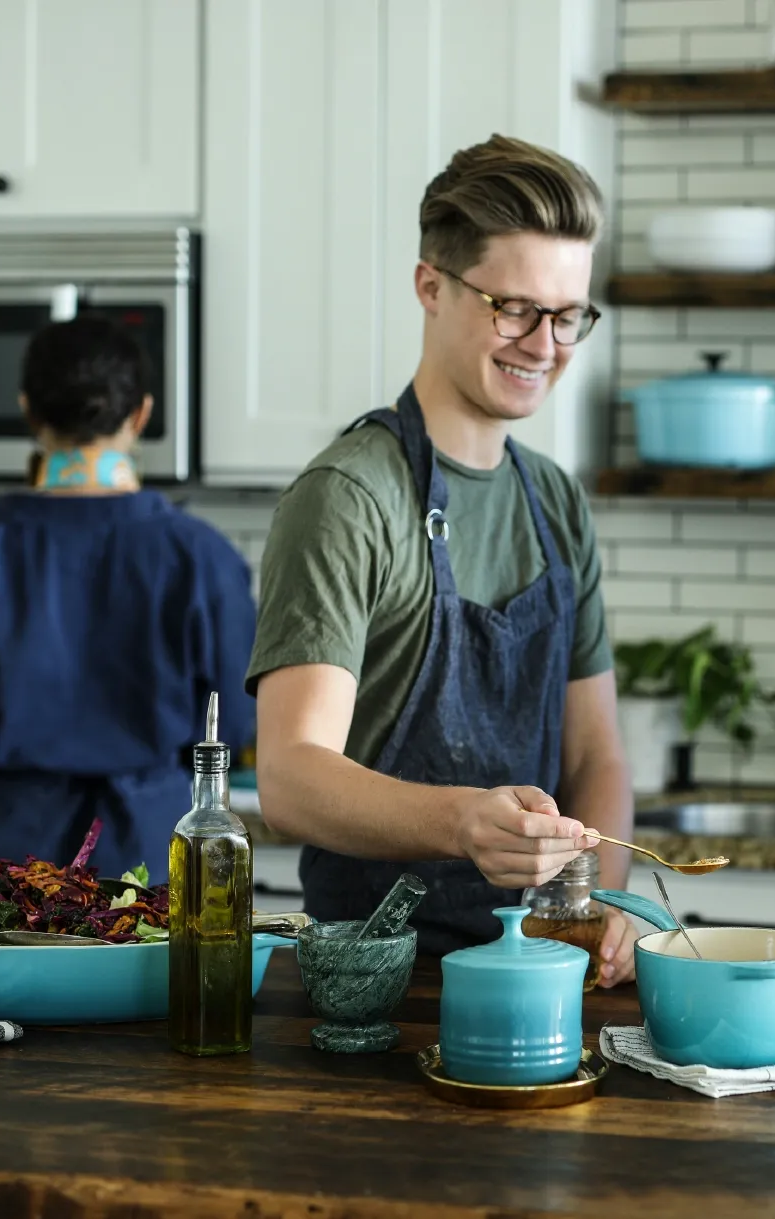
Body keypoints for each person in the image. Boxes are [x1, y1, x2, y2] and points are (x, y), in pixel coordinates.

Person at [247, 134, 637, 984]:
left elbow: (597, 754)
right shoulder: (349, 496)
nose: (544, 344)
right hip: (377, 989)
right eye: (514, 308)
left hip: (539, 974)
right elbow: (288, 776)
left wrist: (604, 897)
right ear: (431, 285)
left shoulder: (556, 501)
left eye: (568, 315)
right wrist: (465, 820)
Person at [0, 315, 256, 901]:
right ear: (141, 414)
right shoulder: (203, 558)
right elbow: (237, 728)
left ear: (29, 412)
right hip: (150, 872)